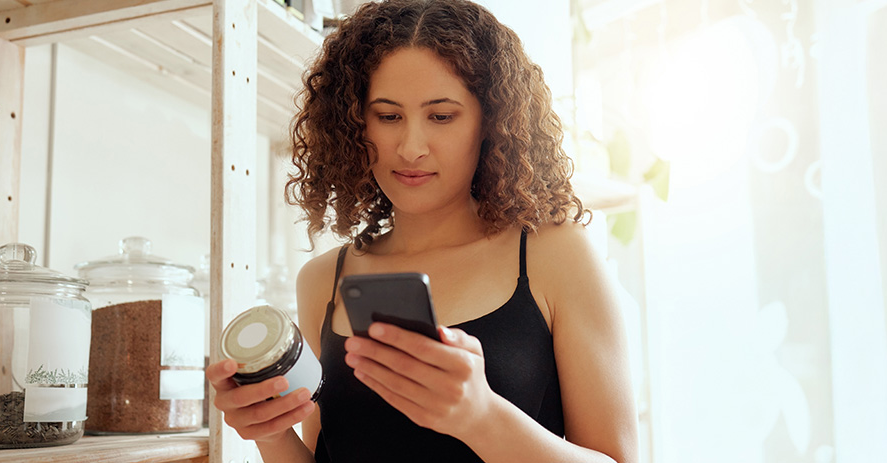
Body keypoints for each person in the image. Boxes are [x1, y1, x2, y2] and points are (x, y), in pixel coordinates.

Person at [207, 0, 638, 461]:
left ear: (489, 123)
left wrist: (483, 417)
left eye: (441, 116)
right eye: (388, 116)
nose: (410, 148)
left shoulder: (554, 254)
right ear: (354, 124)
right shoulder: (322, 282)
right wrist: (269, 433)